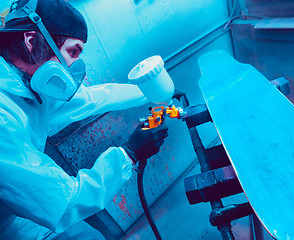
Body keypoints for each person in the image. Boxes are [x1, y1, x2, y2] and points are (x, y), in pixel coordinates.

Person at [0, 0, 169, 239]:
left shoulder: (24, 82)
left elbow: (92, 99)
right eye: (72, 52)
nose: (72, 66)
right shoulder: (3, 118)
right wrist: (129, 153)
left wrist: (152, 93)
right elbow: (64, 202)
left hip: (17, 209)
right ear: (31, 40)